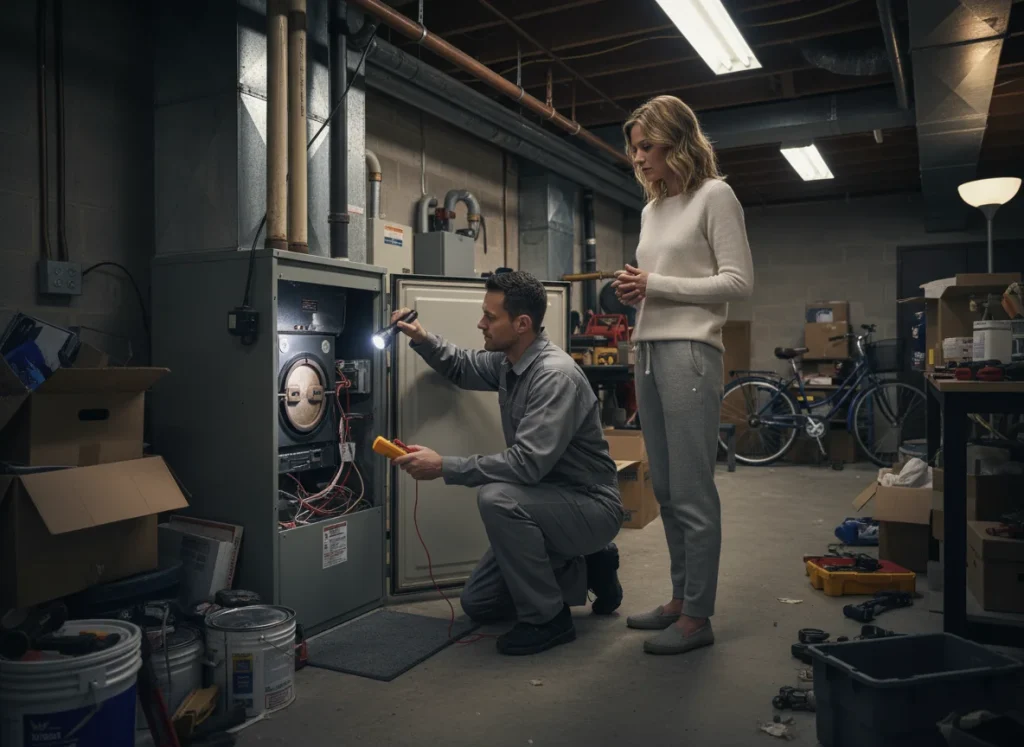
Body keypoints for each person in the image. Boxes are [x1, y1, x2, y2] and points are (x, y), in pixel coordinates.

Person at [390, 271, 625, 656]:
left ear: (522, 324)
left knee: (498, 498)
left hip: (590, 504)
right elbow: (463, 366)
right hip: (549, 500)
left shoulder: (553, 376)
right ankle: (592, 562)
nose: (481, 324)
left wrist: (443, 466)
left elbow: (527, 465)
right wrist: (422, 337)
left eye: (490, 317)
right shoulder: (508, 362)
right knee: (480, 604)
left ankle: (549, 620)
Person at [612, 95, 754, 655]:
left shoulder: (715, 196)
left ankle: (699, 616)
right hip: (648, 351)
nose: (638, 157)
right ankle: (678, 599)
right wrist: (635, 290)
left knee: (693, 490)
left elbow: (739, 283)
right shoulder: (652, 210)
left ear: (679, 142)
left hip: (692, 353)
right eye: (634, 148)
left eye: (647, 146)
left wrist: (656, 285)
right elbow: (661, 280)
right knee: (667, 488)